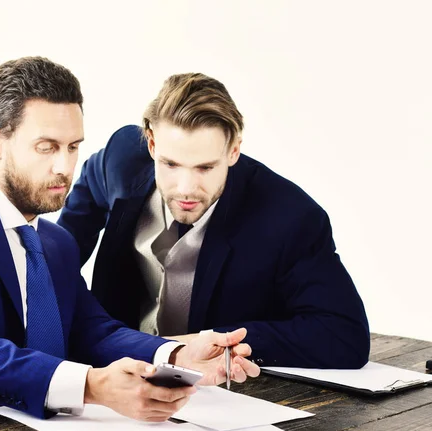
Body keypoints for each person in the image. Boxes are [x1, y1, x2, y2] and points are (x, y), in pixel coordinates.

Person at [0, 58, 260, 431]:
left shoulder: (54, 243)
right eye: (47, 147)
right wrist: (93, 386)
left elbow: (93, 329)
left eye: (73, 147)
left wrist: (178, 353)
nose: (65, 166)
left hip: (23, 428)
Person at [57, 72, 371, 370]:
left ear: (233, 151)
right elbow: (57, 259)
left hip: (220, 394)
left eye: (205, 167)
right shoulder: (121, 159)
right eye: (170, 164)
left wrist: (211, 343)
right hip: (112, 372)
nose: (185, 188)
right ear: (151, 144)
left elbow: (344, 334)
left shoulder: (290, 218)